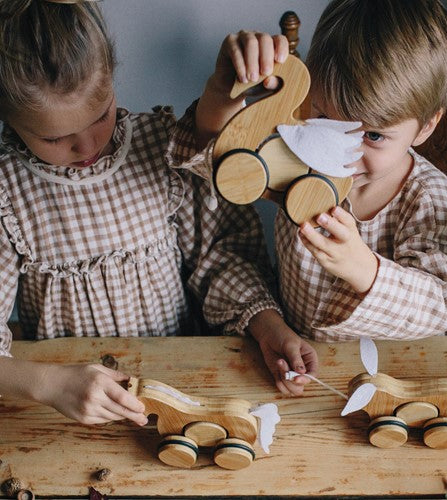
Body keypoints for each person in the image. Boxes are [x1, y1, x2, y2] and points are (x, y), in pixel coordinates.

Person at [0, 0, 317, 426]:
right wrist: (51, 384)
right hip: (71, 414)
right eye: (55, 138)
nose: (88, 147)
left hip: (183, 388)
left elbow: (218, 258)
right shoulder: (7, 192)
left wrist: (266, 325)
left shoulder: (160, 146)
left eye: (101, 116)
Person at [196, 0, 447, 373]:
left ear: (425, 127)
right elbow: (216, 167)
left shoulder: (425, 194)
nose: (345, 154)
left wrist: (365, 270)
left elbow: (439, 309)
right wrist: (221, 92)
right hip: (303, 358)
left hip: (398, 371)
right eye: (324, 117)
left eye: (373, 136)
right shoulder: (300, 156)